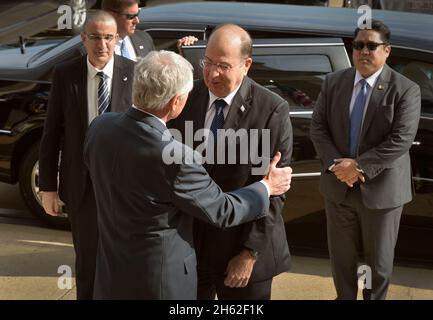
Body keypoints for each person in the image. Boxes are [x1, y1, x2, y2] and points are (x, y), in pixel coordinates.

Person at [83, 50, 293, 299]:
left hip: (111, 273)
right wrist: (267, 187)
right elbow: (223, 210)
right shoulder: (176, 157)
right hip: (160, 283)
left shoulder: (100, 127)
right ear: (175, 102)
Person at [170, 24, 293, 300]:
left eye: (223, 66)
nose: (212, 73)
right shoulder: (186, 97)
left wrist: (249, 254)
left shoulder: (271, 110)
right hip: (192, 249)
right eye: (208, 62)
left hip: (241, 250)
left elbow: (273, 191)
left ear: (246, 65)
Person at [310, 19, 421, 300]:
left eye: (372, 46)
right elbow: (318, 127)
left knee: (377, 267)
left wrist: (358, 167)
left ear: (387, 51)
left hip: (381, 193)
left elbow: (401, 139)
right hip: (338, 189)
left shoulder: (405, 89)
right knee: (342, 264)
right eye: (358, 45)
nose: (364, 51)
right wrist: (339, 167)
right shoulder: (334, 82)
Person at [38, 11, 135, 300]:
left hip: (125, 189)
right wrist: (48, 187)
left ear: (117, 39)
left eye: (108, 37)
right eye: (95, 37)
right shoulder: (66, 74)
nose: (102, 45)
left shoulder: (135, 72)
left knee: (124, 262)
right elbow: (51, 133)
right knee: (88, 262)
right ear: (83, 38)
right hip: (83, 187)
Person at [101, 0, 198, 60]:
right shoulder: (95, 46)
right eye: (131, 17)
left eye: (137, 14)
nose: (137, 21)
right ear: (111, 15)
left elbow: (157, 70)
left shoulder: (143, 38)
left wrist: (183, 49)